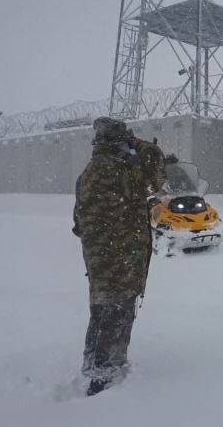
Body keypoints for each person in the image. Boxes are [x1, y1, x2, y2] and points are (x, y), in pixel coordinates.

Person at [72, 117, 165, 396]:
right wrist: (142, 145)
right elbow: (156, 177)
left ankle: (94, 361)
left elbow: (78, 223)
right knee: (119, 313)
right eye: (127, 140)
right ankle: (104, 378)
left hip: (98, 260)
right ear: (119, 142)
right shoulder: (127, 170)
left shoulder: (87, 175)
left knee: (100, 311)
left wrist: (100, 239)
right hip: (123, 258)